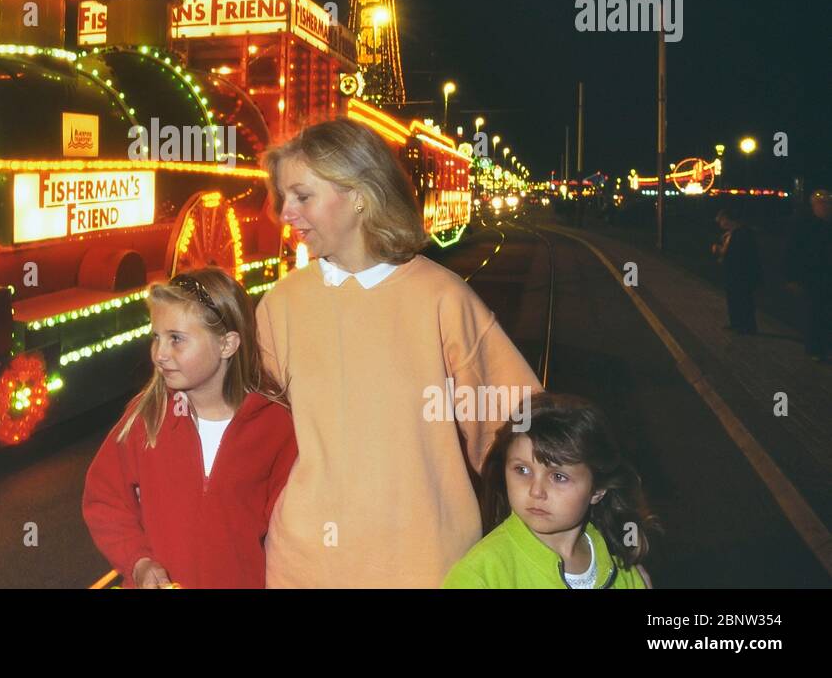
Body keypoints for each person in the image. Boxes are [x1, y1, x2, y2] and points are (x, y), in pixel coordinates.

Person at [257, 117, 540, 587]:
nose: (286, 213)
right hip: (304, 568)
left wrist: (577, 539)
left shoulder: (443, 298)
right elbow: (250, 441)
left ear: (361, 195)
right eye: (283, 198)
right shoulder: (279, 306)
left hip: (428, 567)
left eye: (302, 196)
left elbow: (519, 427)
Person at [82, 267, 297, 588]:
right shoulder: (148, 416)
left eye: (177, 340)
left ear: (227, 345)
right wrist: (137, 561)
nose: (160, 354)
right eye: (156, 337)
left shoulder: (275, 425)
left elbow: (289, 529)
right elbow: (104, 499)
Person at [442, 392, 656, 588]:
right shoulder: (481, 575)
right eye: (522, 470)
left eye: (558, 477)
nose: (536, 491)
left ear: (597, 491)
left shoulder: (621, 567)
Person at [785, 189, 832, 364]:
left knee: (825, 313)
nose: (826, 207)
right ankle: (815, 348)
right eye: (823, 204)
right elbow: (793, 253)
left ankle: (824, 346)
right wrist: (792, 278)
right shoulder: (804, 226)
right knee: (815, 313)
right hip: (813, 277)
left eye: (828, 203)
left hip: (826, 276)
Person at [712, 204, 761, 334]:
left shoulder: (743, 233)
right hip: (733, 273)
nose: (720, 223)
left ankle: (747, 326)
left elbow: (740, 254)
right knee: (733, 298)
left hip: (742, 274)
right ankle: (736, 323)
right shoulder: (731, 234)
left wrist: (720, 250)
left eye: (722, 220)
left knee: (743, 300)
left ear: (728, 219)